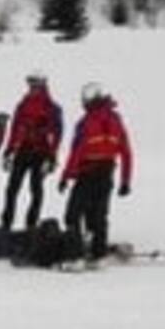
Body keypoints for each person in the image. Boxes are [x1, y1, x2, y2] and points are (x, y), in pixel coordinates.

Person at [59, 82, 135, 263]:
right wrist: (125, 181)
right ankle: (97, 250)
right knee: (98, 215)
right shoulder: (116, 120)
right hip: (105, 174)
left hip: (87, 174)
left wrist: (65, 177)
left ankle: (76, 251)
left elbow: (76, 152)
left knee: (73, 214)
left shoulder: (85, 123)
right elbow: (126, 152)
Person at [0, 71, 64, 231]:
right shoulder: (23, 105)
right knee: (12, 189)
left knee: (35, 189)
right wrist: (9, 150)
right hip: (23, 150)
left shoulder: (52, 107)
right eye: (30, 85)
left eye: (35, 85)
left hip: (41, 153)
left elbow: (57, 133)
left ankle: (31, 224)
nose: (32, 88)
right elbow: (15, 129)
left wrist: (52, 156)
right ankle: (6, 223)